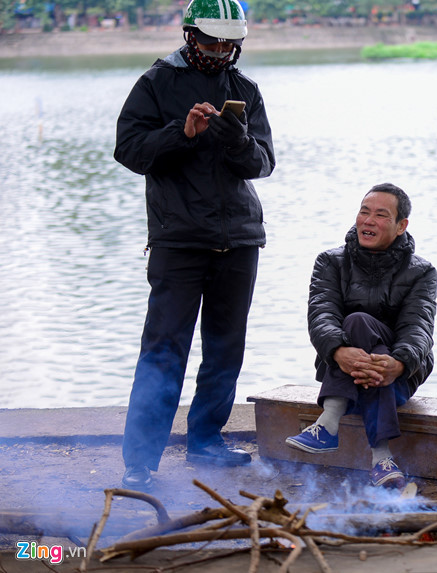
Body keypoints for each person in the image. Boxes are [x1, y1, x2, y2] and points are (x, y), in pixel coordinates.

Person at [114, 0, 276, 491]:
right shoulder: (156, 83)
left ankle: (206, 441)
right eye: (212, 42)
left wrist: (238, 140)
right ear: (190, 35)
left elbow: (264, 163)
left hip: (240, 239)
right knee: (163, 350)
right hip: (178, 240)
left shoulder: (245, 89)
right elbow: (129, 150)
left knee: (225, 350)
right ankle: (141, 461)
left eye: (230, 44)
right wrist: (180, 133)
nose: (221, 51)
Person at [285, 183, 437, 488]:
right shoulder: (330, 261)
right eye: (364, 212)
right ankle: (381, 457)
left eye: (381, 215)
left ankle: (328, 423)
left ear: (401, 226)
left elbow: (418, 327)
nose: (368, 220)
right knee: (355, 323)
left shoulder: (421, 271)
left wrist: (399, 363)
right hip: (341, 367)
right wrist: (339, 351)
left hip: (398, 376)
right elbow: (321, 314)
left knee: (358, 322)